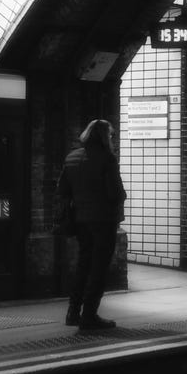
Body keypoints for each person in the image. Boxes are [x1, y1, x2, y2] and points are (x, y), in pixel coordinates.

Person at [57, 119, 127, 329]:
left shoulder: (72, 157)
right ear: (105, 136)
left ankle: (72, 313)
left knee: (83, 265)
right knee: (99, 269)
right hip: (103, 221)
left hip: (81, 221)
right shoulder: (107, 159)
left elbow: (62, 191)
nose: (113, 138)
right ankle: (89, 315)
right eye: (111, 135)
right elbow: (115, 192)